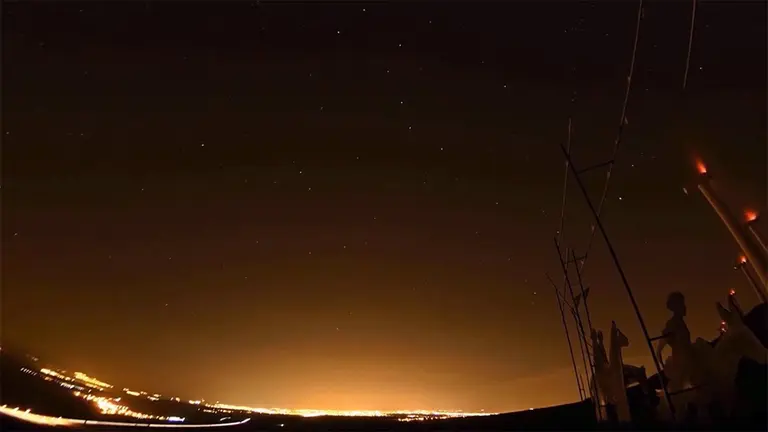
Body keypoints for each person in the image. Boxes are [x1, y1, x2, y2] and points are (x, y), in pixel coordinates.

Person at [657, 291, 694, 390]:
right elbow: (659, 349)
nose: (685, 307)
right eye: (681, 304)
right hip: (681, 365)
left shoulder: (680, 323)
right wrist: (664, 366)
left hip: (689, 361)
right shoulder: (672, 324)